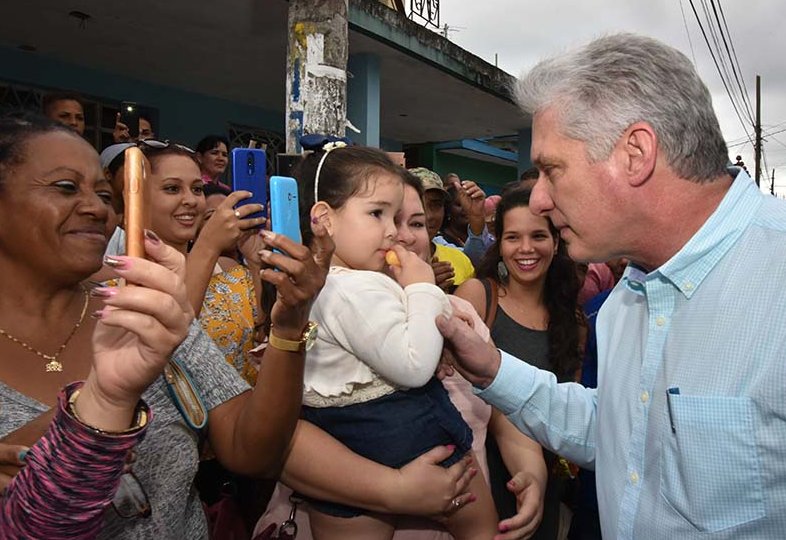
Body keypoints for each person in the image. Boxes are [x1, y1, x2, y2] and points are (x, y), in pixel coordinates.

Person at [436, 33, 786, 539]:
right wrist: (492, 369)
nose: (537, 200)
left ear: (635, 153)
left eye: (552, 170)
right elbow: (619, 429)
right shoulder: (627, 298)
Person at [0, 114, 334, 539]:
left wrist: (289, 326)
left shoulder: (145, 308)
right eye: (66, 188)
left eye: (105, 194)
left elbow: (252, 451)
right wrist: (93, 412)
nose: (95, 208)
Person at [257, 170, 548, 540]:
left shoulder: (457, 312)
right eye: (385, 218)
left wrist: (531, 472)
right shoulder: (308, 319)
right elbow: (274, 443)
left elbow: (501, 404)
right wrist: (395, 489)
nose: (400, 235)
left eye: (416, 222)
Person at [291, 143, 498, 538]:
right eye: (377, 214)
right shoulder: (356, 285)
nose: (392, 232)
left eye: (408, 221)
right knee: (482, 528)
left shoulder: (315, 288)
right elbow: (414, 367)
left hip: (342, 451)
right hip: (405, 430)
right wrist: (422, 288)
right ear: (324, 219)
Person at [454, 188, 583, 539]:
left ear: (556, 243)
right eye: (513, 237)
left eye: (539, 235)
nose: (526, 248)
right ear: (500, 242)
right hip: (477, 476)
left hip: (540, 482)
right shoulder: (476, 298)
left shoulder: (572, 319)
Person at [409, 167, 475, 292]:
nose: (427, 216)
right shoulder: (383, 263)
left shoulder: (460, 260)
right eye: (417, 203)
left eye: (435, 205)